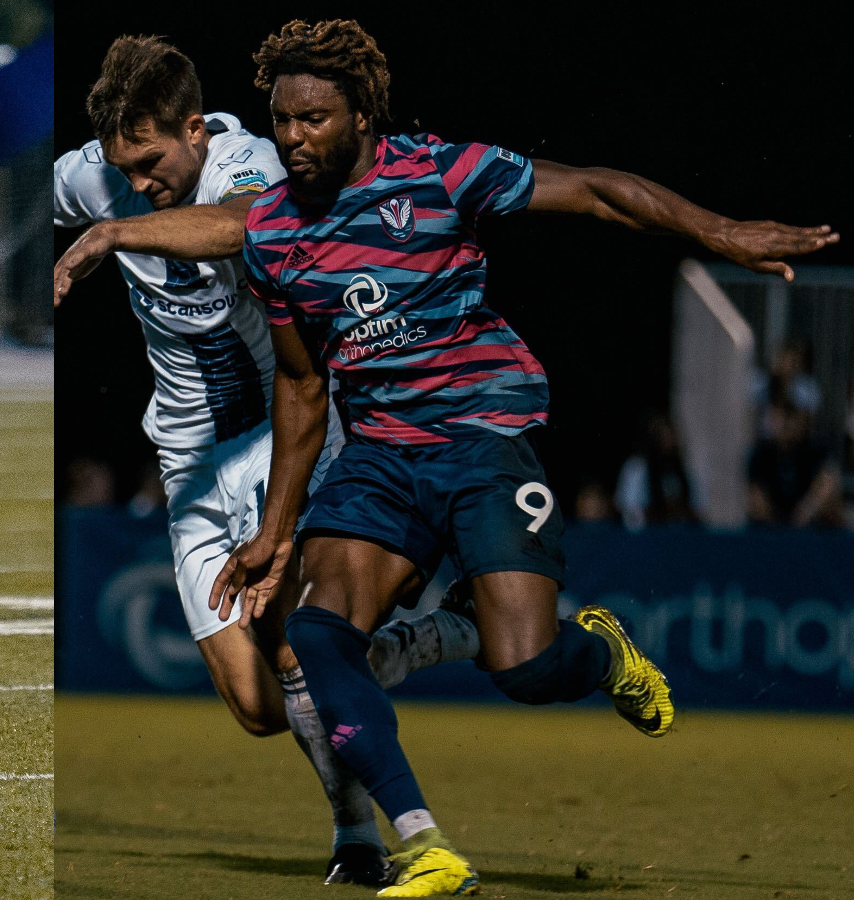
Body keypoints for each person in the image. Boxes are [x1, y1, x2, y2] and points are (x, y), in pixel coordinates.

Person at [214, 19, 836, 896]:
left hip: (481, 439)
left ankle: (603, 653)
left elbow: (594, 192)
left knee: (528, 669)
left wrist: (719, 230)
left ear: (362, 117)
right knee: (318, 639)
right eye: (280, 120)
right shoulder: (274, 232)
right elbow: (301, 388)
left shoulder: (438, 172)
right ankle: (423, 845)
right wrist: (276, 530)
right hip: (381, 457)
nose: (292, 138)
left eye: (313, 119)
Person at [54, 35, 479, 887]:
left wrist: (114, 234)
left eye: (151, 160)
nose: (138, 180)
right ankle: (448, 633)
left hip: (279, 448)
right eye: (121, 168)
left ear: (195, 129)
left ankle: (366, 839)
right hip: (190, 470)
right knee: (258, 707)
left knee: (296, 654)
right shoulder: (90, 177)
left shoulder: (246, 161)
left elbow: (247, 227)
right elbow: (58, 198)